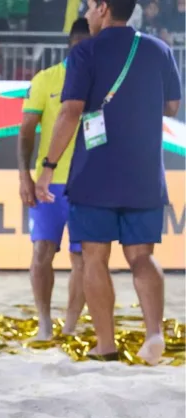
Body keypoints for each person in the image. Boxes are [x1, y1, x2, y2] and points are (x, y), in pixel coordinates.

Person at [35, 0, 181, 365]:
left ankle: (105, 344)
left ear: (102, 8)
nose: (84, 14)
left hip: (94, 171)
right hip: (144, 171)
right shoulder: (158, 49)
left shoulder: (86, 51)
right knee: (142, 257)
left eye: (88, 7)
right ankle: (154, 334)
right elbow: (173, 106)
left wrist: (49, 166)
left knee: (95, 258)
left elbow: (70, 111)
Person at [18, 18, 90, 341]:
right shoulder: (46, 79)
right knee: (41, 255)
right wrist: (24, 176)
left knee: (84, 259)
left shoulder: (102, 81)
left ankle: (71, 326)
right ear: (72, 45)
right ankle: (45, 322)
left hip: (89, 184)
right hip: (48, 184)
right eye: (82, 48)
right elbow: (25, 133)